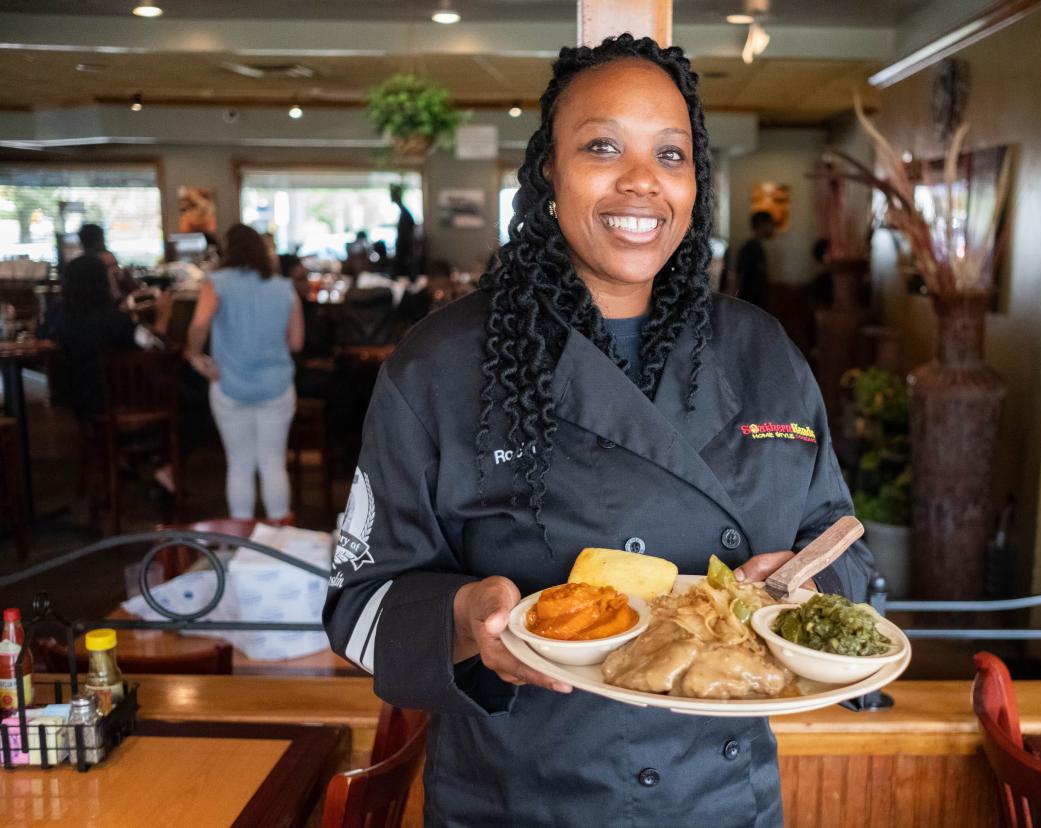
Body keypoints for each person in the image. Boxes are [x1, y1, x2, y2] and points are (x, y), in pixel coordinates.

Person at [322, 35, 873, 827]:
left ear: (695, 182)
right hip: (520, 799)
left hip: (724, 802)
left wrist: (808, 588)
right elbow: (359, 606)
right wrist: (467, 620)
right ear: (549, 170)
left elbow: (842, 540)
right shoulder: (442, 363)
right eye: (602, 146)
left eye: (671, 153)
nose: (643, 180)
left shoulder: (763, 352)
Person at [185, 224, 304, 521]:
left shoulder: (216, 283)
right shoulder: (284, 287)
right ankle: (281, 539)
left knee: (239, 464)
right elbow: (297, 343)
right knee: (273, 463)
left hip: (230, 385)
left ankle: (241, 545)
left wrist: (195, 355)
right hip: (276, 386)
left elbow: (199, 324)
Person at [55, 254, 177, 492]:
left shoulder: (63, 323)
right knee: (190, 399)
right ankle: (165, 467)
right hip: (126, 406)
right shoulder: (115, 322)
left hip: (84, 407)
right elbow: (155, 347)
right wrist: (163, 317)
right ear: (101, 283)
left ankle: (131, 461)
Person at [735, 210, 776, 309]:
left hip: (754, 303)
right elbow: (739, 276)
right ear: (762, 225)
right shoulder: (750, 248)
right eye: (771, 224)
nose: (773, 228)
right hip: (749, 304)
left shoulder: (757, 247)